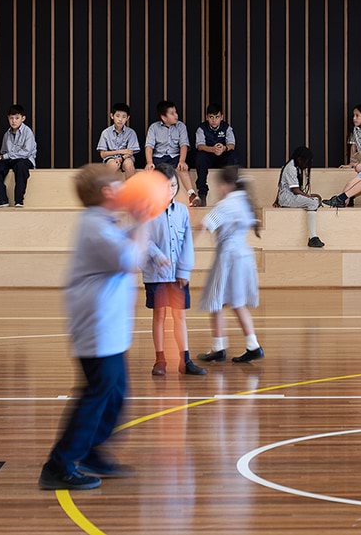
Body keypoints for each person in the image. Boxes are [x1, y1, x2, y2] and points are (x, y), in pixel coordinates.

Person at [39, 165, 150, 491]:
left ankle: (91, 452)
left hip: (109, 328)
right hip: (97, 328)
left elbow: (127, 245)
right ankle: (59, 464)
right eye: (120, 186)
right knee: (97, 395)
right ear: (107, 193)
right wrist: (143, 221)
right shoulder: (93, 226)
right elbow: (128, 260)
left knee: (114, 394)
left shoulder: (102, 222)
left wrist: (142, 235)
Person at [196, 166, 264, 364]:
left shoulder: (226, 204)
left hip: (229, 257)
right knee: (237, 302)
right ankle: (253, 345)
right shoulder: (244, 201)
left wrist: (189, 242)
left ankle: (218, 347)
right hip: (243, 256)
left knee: (216, 301)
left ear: (227, 185)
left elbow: (205, 224)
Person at [145, 164, 206, 377]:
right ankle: (160, 359)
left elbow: (187, 244)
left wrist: (184, 271)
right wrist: (158, 257)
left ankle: (185, 360)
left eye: (172, 186)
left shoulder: (181, 211)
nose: (169, 190)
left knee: (180, 317)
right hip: (155, 275)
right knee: (159, 315)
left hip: (177, 276)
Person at [144, 100, 199, 206]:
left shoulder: (181, 126)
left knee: (182, 168)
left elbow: (184, 145)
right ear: (164, 117)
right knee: (152, 171)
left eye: (176, 112)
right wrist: (149, 162)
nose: (176, 115)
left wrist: (182, 161)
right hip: (158, 156)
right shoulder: (154, 127)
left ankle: (192, 195)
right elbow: (149, 146)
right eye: (172, 113)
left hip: (175, 156)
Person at [276, 146, 325, 248]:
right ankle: (313, 237)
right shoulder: (291, 168)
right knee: (313, 202)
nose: (307, 165)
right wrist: (309, 197)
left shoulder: (294, 166)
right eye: (306, 162)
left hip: (288, 197)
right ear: (299, 159)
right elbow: (295, 190)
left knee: (315, 200)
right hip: (287, 198)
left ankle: (313, 237)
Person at [0, 103, 38, 207]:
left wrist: (5, 157)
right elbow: (3, 152)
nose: (14, 121)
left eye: (17, 118)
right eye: (11, 118)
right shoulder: (6, 134)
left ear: (23, 118)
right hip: (11, 160)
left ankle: (19, 200)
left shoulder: (27, 132)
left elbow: (26, 153)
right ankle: (2, 200)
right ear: (8, 118)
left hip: (25, 159)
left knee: (21, 165)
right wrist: (2, 158)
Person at [192, 103, 239, 205]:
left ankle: (232, 190)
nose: (214, 120)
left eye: (217, 117)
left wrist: (224, 148)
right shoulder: (201, 128)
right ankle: (202, 193)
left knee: (233, 155)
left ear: (221, 117)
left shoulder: (226, 127)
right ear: (207, 117)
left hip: (222, 156)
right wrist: (212, 149)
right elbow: (200, 146)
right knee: (200, 156)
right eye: (211, 117)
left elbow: (232, 144)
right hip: (209, 156)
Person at [97, 102, 140, 177]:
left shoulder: (131, 132)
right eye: (117, 116)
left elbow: (130, 152)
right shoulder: (105, 133)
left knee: (129, 165)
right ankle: (107, 188)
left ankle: (130, 188)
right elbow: (103, 154)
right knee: (113, 165)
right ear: (112, 116)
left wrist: (121, 158)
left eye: (124, 117)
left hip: (126, 158)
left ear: (128, 118)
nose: (120, 119)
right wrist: (119, 151)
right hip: (110, 158)